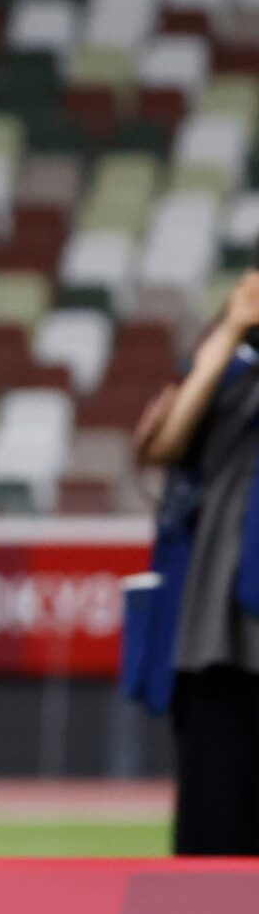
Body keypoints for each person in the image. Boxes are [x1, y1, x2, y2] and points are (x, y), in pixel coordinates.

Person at [132, 269, 259, 854]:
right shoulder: (227, 370)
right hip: (220, 639)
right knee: (213, 838)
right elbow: (159, 443)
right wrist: (231, 329)